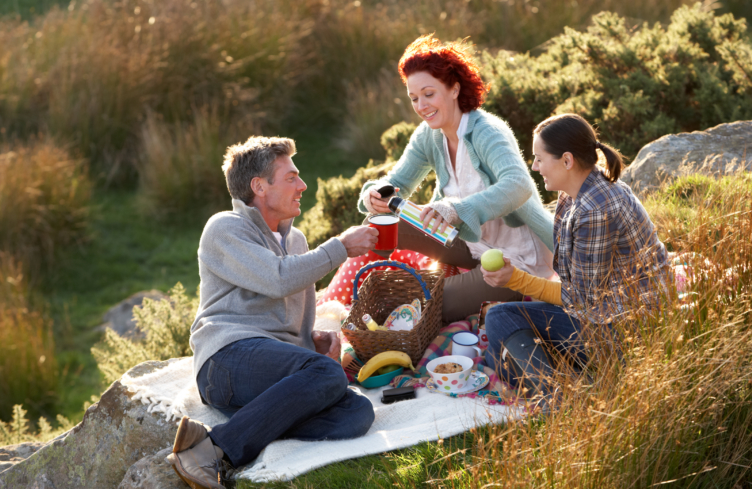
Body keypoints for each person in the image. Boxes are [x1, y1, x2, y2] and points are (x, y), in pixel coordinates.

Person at [167, 136, 379, 488]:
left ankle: (241, 427)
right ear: (259, 186)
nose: (303, 185)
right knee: (327, 376)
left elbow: (291, 315)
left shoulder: (296, 242)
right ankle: (211, 450)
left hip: (265, 370)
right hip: (226, 359)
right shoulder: (225, 229)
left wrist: (311, 348)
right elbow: (277, 279)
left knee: (357, 412)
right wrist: (341, 247)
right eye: (291, 177)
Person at [357, 35, 555, 323]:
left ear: (454, 89)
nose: (421, 106)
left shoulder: (487, 132)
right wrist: (374, 194)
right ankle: (373, 287)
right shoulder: (429, 135)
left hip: (514, 256)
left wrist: (454, 210)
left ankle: (403, 306)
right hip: (466, 242)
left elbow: (519, 185)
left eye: (429, 94)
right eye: (414, 98)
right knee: (375, 226)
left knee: (430, 302)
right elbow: (397, 181)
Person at [481, 113, 672, 402]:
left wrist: (515, 280)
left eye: (539, 158)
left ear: (567, 161)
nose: (534, 166)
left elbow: (580, 299)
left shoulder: (594, 210)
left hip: (627, 333)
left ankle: (555, 399)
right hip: (610, 313)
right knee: (501, 335)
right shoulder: (577, 193)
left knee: (500, 319)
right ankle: (567, 376)